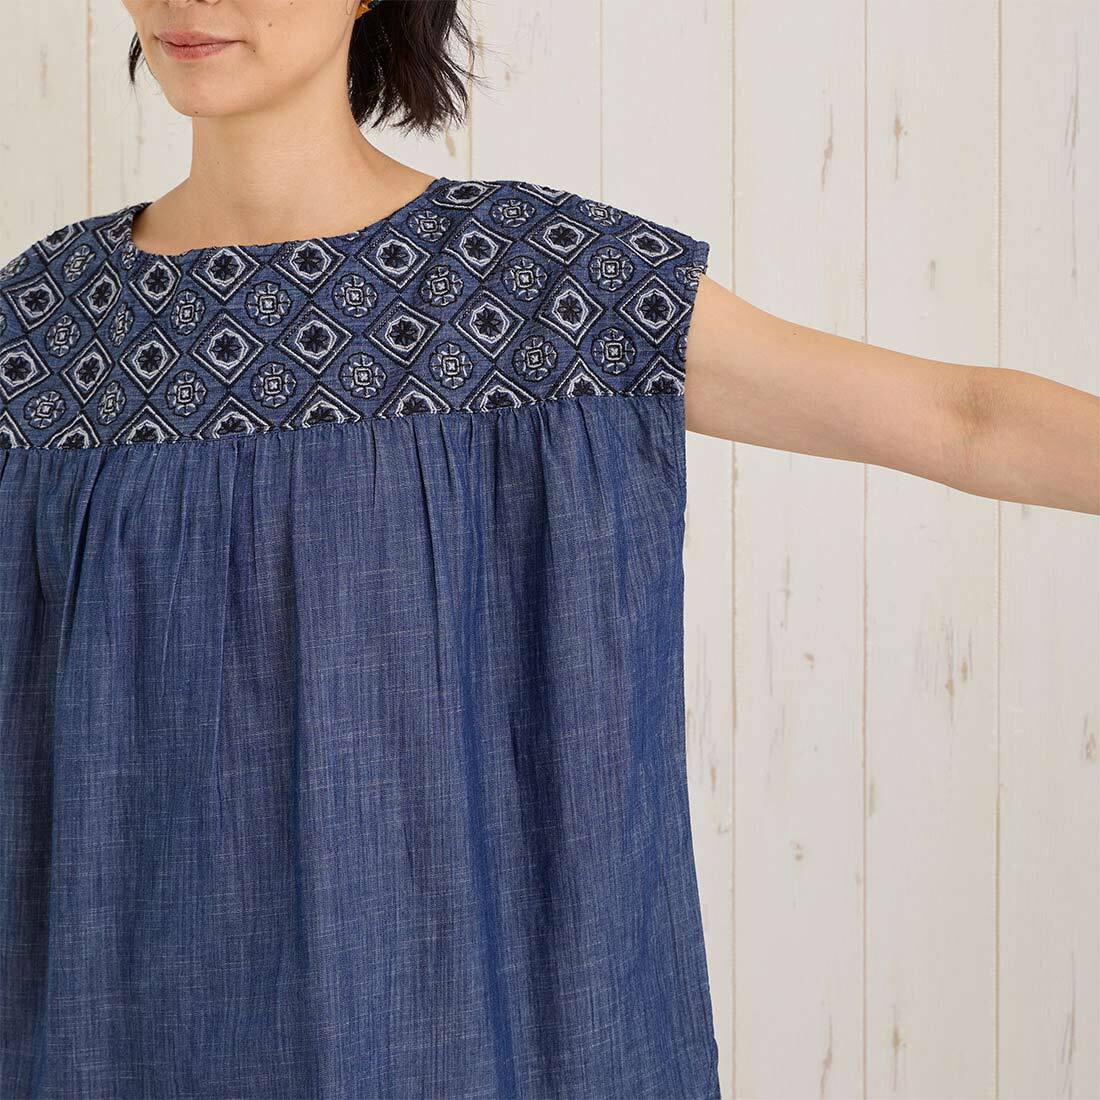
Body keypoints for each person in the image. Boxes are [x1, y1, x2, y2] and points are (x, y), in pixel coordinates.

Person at [0, 2, 1095, 1098]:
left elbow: (961, 421)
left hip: (476, 1031)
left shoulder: (541, 289)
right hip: (119, 1028)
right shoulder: (42, 332)